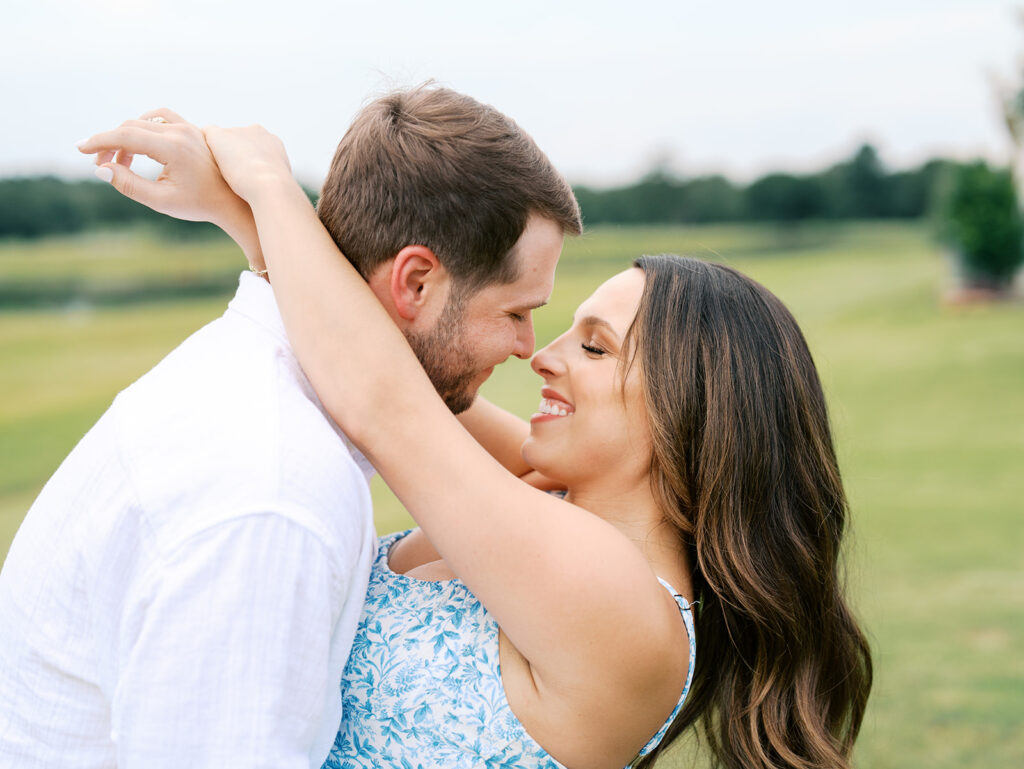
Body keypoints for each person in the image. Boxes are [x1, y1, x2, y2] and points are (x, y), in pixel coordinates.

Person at [94, 119, 873, 769]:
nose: (543, 354)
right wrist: (241, 216)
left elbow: (386, 402)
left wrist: (269, 183)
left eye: (594, 348)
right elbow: (391, 356)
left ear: (686, 409)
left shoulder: (625, 604)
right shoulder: (544, 502)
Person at [0, 87, 581, 768]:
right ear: (416, 283)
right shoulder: (275, 491)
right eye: (516, 311)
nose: (527, 345)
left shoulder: (260, 400)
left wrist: (263, 220)